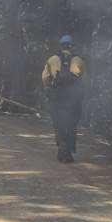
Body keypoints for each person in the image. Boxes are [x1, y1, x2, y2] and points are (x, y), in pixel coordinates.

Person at [42, 34, 85, 163]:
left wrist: (49, 91)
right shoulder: (78, 60)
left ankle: (62, 148)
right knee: (71, 123)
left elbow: (45, 79)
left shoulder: (52, 59)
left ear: (60, 46)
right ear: (72, 46)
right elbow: (84, 80)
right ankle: (69, 149)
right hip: (73, 98)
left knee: (58, 123)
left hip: (57, 98)